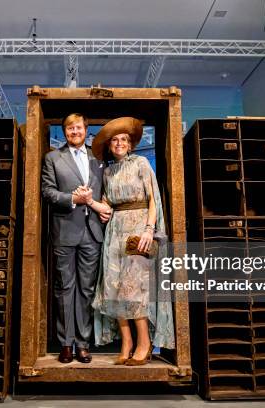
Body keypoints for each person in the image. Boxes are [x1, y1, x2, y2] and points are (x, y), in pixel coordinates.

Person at [82, 117, 175, 366]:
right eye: (115, 140)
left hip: (138, 230)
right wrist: (89, 201)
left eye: (124, 139)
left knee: (134, 289)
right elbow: (107, 206)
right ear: (110, 146)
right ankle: (126, 343)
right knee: (114, 288)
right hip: (114, 231)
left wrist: (149, 230)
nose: (119, 143)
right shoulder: (109, 172)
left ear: (131, 144)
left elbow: (154, 198)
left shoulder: (142, 163)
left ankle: (144, 344)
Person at [41, 113, 112, 364]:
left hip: (92, 232)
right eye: (70, 128)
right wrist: (73, 199)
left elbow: (108, 191)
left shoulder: (99, 157)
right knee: (64, 289)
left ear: (85, 129)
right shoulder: (53, 158)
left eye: (78, 127)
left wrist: (105, 206)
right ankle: (66, 344)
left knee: (87, 290)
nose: (74, 132)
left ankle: (83, 343)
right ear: (64, 132)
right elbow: (47, 192)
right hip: (64, 232)